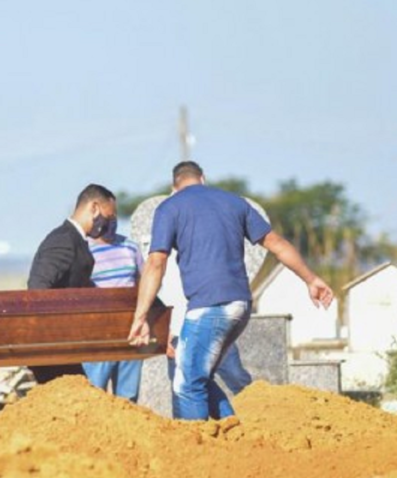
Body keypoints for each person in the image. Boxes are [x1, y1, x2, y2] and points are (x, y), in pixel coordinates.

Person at [129, 161, 333, 420]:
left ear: (174, 186)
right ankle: (233, 434)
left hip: (209, 307)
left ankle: (198, 452)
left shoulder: (170, 207)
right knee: (198, 376)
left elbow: (156, 262)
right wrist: (311, 279)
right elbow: (277, 244)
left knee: (186, 383)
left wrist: (141, 316)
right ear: (203, 178)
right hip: (240, 306)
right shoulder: (235, 202)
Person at [27, 183, 117, 383]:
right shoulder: (64, 240)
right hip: (52, 346)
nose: (109, 224)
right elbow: (37, 289)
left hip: (62, 344)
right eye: (108, 217)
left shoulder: (74, 240)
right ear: (94, 208)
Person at [82, 219, 145, 401]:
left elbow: (144, 279)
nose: (111, 225)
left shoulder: (131, 247)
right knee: (94, 391)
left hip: (130, 329)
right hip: (98, 333)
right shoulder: (85, 250)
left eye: (114, 219)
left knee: (129, 396)